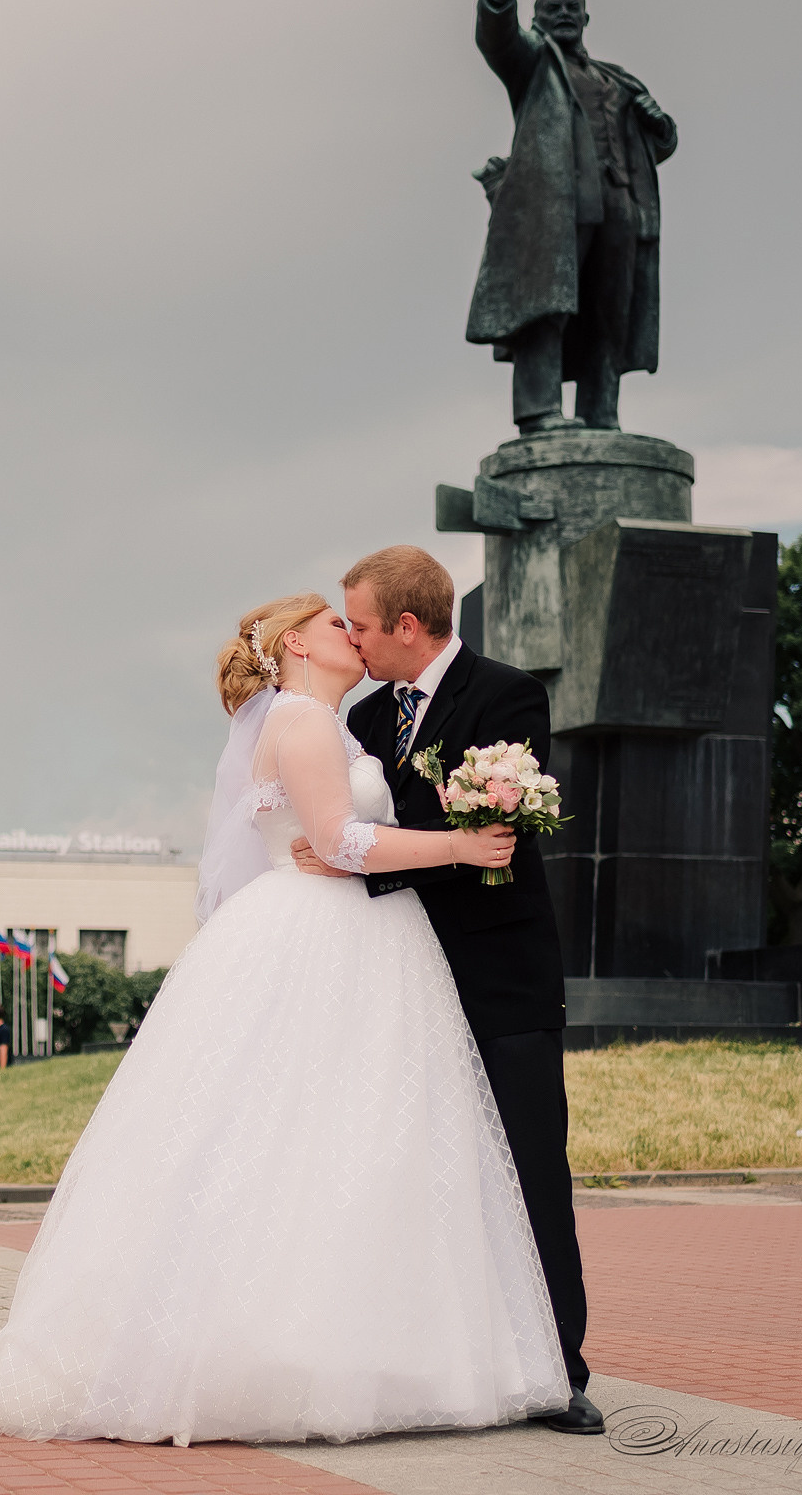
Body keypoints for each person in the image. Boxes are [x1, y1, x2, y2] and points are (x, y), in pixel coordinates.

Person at [0, 591, 569, 1446]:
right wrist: (460, 845)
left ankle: (370, 1348)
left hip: (371, 937)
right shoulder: (301, 724)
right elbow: (341, 841)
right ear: (295, 642)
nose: (352, 635)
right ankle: (275, 1354)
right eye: (338, 623)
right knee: (296, 1137)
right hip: (321, 939)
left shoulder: (341, 725)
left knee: (364, 1141)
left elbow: (337, 837)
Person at [292, 545, 602, 1435]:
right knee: (421, 1175)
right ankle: (445, 1361)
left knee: (532, 1168)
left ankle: (561, 1371)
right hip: (397, 982)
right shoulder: (364, 716)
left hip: (500, 976)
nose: (347, 635)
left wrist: (354, 862)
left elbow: (484, 830)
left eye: (357, 622)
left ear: (407, 626)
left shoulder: (508, 696)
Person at [467, 0, 677, 434]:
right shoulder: (534, 63)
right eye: (550, 10)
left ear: (586, 18)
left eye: (571, 9)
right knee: (549, 303)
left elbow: (661, 145)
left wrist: (658, 123)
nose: (563, 15)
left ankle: (601, 414)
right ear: (536, 21)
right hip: (560, 204)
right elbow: (496, 39)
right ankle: (539, 411)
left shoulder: (616, 79)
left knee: (611, 311)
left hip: (622, 205)